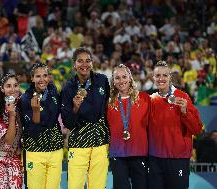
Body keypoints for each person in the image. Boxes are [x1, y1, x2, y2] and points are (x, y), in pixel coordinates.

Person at [61, 47, 110, 189]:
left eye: (88, 61)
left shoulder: (102, 80)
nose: (84, 65)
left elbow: (107, 109)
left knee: (98, 186)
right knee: (75, 186)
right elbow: (68, 123)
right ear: (74, 64)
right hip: (78, 143)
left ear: (92, 63)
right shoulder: (68, 89)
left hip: (100, 142)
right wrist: (75, 108)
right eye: (80, 61)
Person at [149, 60, 203, 189]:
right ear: (153, 78)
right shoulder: (151, 99)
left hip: (177, 159)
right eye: (157, 75)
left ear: (170, 77)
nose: (161, 78)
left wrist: (185, 112)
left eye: (164, 75)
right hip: (155, 160)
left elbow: (197, 129)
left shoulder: (182, 97)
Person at [20, 62, 63, 189]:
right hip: (35, 151)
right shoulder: (25, 99)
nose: (42, 79)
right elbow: (32, 131)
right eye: (38, 76)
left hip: (55, 150)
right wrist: (36, 112)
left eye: (45, 75)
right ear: (32, 78)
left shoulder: (53, 90)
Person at [107, 64, 150, 189]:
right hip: (117, 152)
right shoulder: (109, 102)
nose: (121, 81)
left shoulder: (144, 98)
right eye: (117, 78)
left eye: (124, 77)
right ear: (113, 81)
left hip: (139, 151)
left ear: (130, 78)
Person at [0, 74, 23, 189]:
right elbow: (9, 140)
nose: (13, 89)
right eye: (8, 86)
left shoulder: (22, 105)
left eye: (15, 85)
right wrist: (12, 115)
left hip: (14, 158)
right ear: (2, 89)